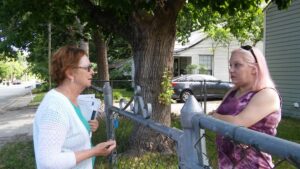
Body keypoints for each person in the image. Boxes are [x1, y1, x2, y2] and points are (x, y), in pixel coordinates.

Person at [33, 45, 116, 169]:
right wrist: (93, 151)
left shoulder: (73, 100)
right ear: (70, 73)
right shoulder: (54, 108)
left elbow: (72, 131)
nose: (92, 72)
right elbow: (48, 161)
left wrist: (89, 126)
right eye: (88, 68)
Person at [209, 45, 281, 168]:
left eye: (237, 65)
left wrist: (213, 115)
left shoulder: (267, 94)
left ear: (254, 69)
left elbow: (237, 123)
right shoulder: (232, 93)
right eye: (230, 65)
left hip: (254, 165)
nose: (231, 70)